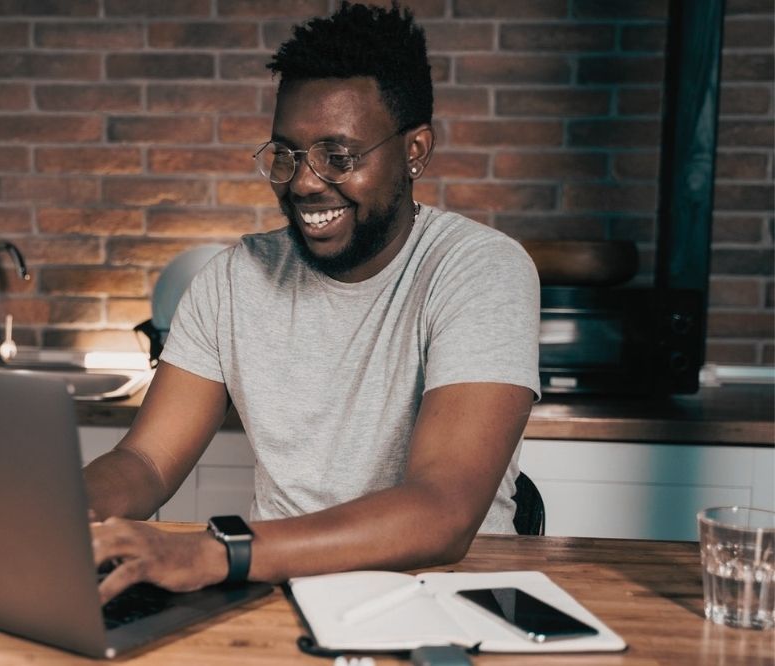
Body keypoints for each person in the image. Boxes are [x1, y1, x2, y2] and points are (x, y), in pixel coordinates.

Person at [84, 1, 539, 603]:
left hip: (444, 598)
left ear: (415, 151)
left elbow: (442, 512)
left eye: (338, 156)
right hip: (274, 590)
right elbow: (145, 460)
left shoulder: (479, 269)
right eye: (287, 154)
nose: (303, 182)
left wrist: (217, 552)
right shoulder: (232, 280)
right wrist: (57, 511)